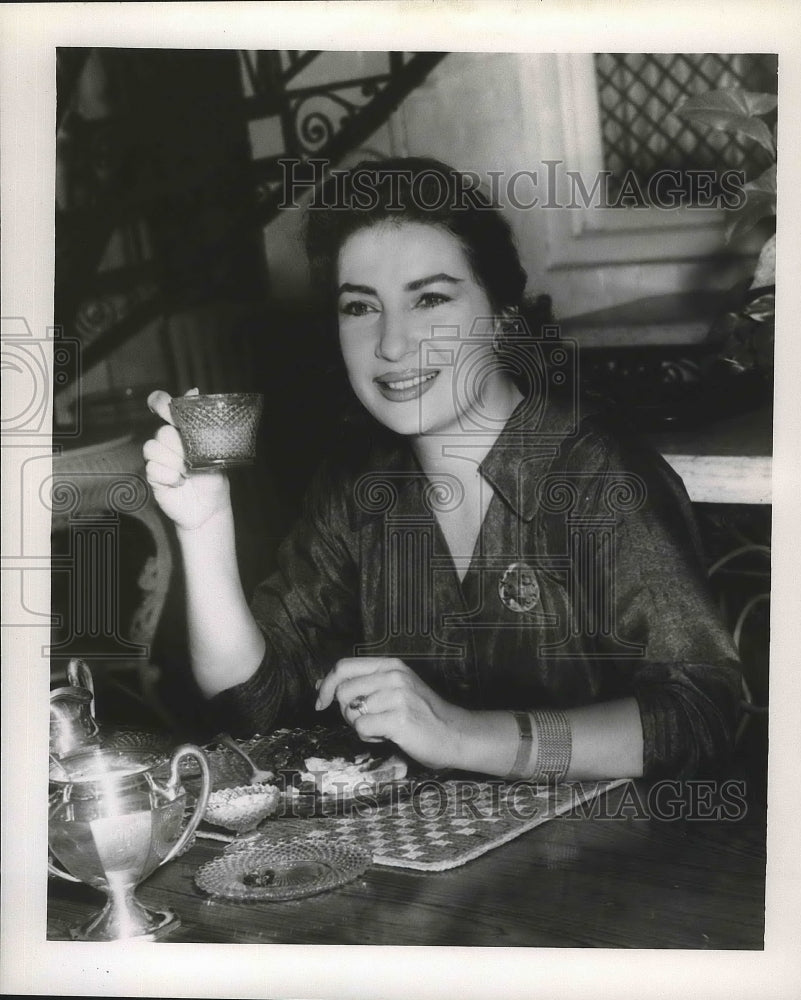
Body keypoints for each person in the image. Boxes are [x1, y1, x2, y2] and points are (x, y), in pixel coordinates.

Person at [144, 157, 743, 783]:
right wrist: (205, 525)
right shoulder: (361, 483)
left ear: (504, 314)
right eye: (359, 307)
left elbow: (697, 714)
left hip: (619, 860)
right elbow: (252, 702)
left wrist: (458, 734)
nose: (394, 344)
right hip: (437, 864)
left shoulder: (592, 471)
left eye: (429, 298)